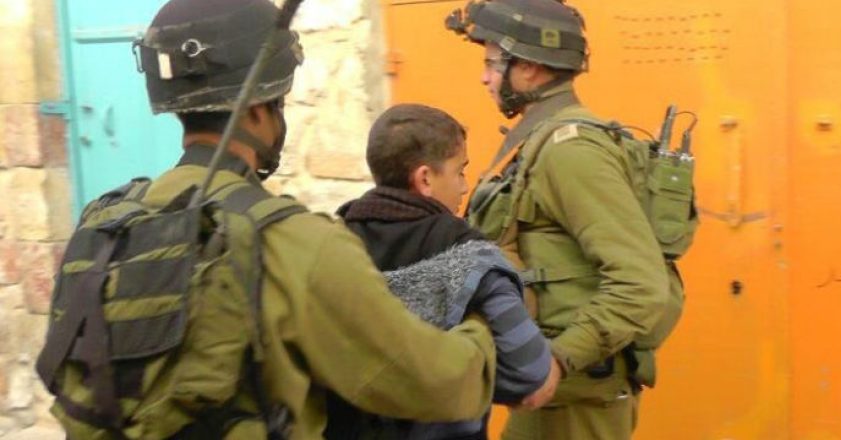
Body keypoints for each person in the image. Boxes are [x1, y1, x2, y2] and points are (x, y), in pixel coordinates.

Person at [35, 1, 496, 438]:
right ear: (260, 110)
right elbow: (440, 385)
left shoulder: (106, 222)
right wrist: (481, 321)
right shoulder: (296, 241)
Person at [445, 1, 673, 438]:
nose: (485, 76)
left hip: (573, 400)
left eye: (493, 62)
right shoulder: (541, 140)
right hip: (552, 398)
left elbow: (641, 283)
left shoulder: (570, 151)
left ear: (529, 68)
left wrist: (559, 358)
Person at [328, 103, 559, 439]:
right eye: (459, 171)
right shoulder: (471, 258)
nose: (465, 187)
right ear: (425, 179)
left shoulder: (329, 249)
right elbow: (531, 372)